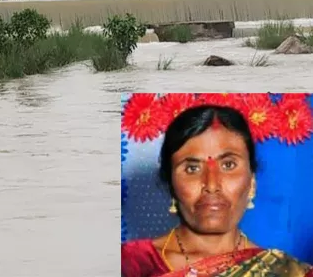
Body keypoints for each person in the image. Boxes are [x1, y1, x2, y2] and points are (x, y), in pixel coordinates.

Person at [121, 104, 313, 277]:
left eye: (228, 165)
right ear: (171, 185)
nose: (211, 185)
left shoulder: (287, 272)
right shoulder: (129, 264)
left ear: (252, 183)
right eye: (192, 168)